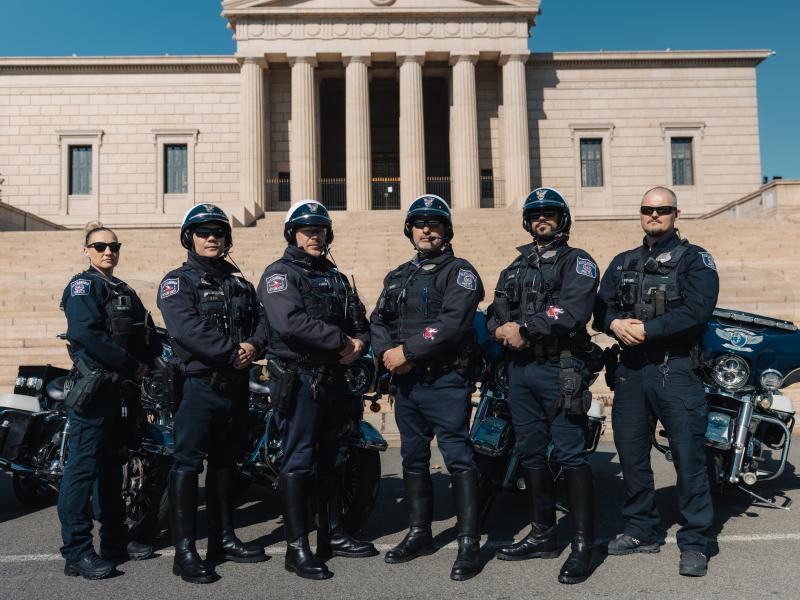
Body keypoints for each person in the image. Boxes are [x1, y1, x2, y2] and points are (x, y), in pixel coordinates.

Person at [593, 186, 719, 577]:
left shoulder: (695, 259)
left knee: (688, 458)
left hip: (676, 370)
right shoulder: (623, 260)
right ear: (641, 213)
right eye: (648, 209)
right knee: (632, 457)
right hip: (630, 372)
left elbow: (698, 310)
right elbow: (600, 307)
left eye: (662, 209)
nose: (654, 215)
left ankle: (696, 540)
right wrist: (613, 323)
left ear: (675, 214)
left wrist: (648, 329)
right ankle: (641, 529)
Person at [257, 200, 377, 581]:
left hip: (335, 379)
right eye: (308, 230)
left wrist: (359, 341)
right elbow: (289, 322)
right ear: (293, 233)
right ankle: (297, 548)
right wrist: (343, 341)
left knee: (336, 459)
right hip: (300, 377)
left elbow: (361, 319)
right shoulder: (280, 274)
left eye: (321, 230)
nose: (315, 235)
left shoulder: (337, 276)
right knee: (299, 461)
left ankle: (334, 534)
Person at [486, 187, 599, 584]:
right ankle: (543, 535)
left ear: (562, 219)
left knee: (571, 454)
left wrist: (523, 328)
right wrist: (500, 329)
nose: (542, 219)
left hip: (559, 368)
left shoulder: (578, 262)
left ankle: (584, 545)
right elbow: (493, 311)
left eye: (549, 214)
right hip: (521, 372)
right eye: (535, 215)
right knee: (530, 452)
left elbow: (571, 309)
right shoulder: (514, 267)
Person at [370, 195, 484, 581]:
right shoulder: (398, 274)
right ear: (410, 229)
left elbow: (452, 323)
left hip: (445, 381)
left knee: (458, 457)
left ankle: (469, 541)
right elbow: (378, 319)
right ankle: (420, 532)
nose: (426, 229)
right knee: (413, 458)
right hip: (406, 384)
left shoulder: (460, 272)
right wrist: (387, 351)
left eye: (434, 223)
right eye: (419, 223)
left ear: (446, 230)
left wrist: (408, 351)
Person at [157, 204, 267, 584]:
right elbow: (186, 329)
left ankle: (224, 540)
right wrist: (232, 352)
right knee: (187, 465)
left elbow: (262, 321)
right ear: (190, 237)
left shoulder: (239, 283)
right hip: (198, 387)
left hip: (235, 387)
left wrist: (254, 345)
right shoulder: (177, 282)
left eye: (218, 232)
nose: (211, 238)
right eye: (203, 232)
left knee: (226, 464)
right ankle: (184, 552)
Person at [58, 222, 158, 579]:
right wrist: (135, 366)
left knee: (111, 469)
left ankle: (114, 540)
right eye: (99, 246)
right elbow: (86, 334)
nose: (107, 252)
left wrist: (158, 362)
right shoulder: (83, 286)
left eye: (114, 246)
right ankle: (76, 551)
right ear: (86, 250)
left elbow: (146, 334)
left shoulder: (124, 290)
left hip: (122, 394)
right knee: (81, 471)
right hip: (95, 391)